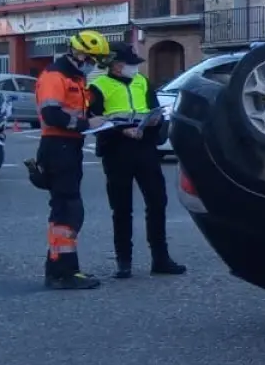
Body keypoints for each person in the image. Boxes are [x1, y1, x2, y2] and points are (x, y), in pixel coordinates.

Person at [89, 43, 186, 279]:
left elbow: (155, 110)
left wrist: (153, 122)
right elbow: (94, 120)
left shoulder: (142, 81)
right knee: (121, 208)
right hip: (116, 151)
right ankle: (124, 262)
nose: (134, 67)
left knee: (157, 202)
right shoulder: (97, 86)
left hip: (144, 148)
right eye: (129, 63)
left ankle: (160, 259)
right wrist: (122, 131)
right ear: (116, 65)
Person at [34, 30, 112, 289]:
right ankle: (62, 273)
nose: (94, 64)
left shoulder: (75, 77)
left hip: (69, 146)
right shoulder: (55, 76)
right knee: (66, 210)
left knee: (68, 210)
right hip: (58, 147)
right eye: (92, 58)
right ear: (78, 53)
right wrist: (84, 123)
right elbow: (51, 114)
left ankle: (63, 269)